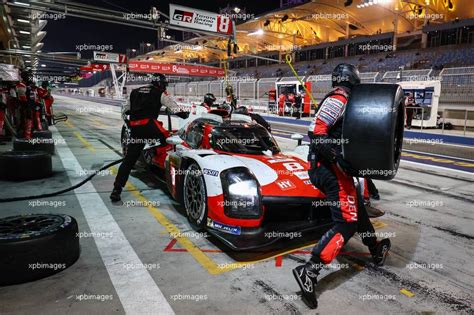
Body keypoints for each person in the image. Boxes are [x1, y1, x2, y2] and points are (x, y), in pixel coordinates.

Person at [293, 63, 391, 309]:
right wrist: (337, 157)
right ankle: (309, 270)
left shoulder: (344, 99)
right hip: (328, 168)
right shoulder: (339, 98)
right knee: (347, 222)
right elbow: (316, 133)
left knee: (356, 209)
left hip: (333, 168)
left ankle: (375, 248)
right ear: (352, 81)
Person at [110, 73, 184, 202]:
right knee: (169, 143)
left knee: (128, 161)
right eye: (164, 84)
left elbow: (125, 111)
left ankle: (117, 189)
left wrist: (131, 124)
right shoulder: (159, 93)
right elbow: (175, 109)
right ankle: (163, 173)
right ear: (160, 83)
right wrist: (185, 114)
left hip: (135, 128)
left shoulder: (134, 92)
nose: (164, 87)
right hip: (150, 126)